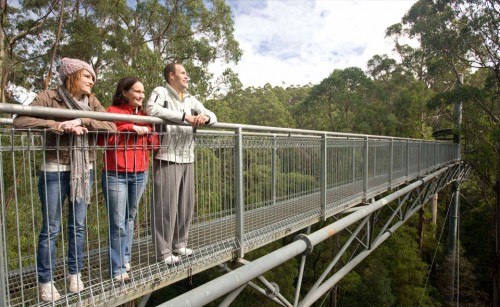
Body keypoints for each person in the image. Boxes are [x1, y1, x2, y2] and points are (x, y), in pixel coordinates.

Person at [13, 58, 116, 302]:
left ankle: (74, 274)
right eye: (87, 76)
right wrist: (58, 125)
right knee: (51, 228)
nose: (92, 81)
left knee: (78, 226)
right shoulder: (49, 97)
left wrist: (82, 120)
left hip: (84, 169)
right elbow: (20, 121)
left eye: (93, 77)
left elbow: (111, 125)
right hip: (54, 169)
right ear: (73, 76)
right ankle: (46, 281)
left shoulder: (91, 102)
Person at [146, 63, 217, 264]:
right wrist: (186, 118)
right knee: (166, 207)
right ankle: (163, 252)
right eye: (183, 73)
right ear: (171, 76)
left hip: (188, 156)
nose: (187, 76)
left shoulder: (190, 98)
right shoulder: (161, 92)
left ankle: (180, 244)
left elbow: (213, 116)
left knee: (186, 204)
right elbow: (151, 109)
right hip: (167, 156)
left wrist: (205, 117)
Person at [100, 77, 157, 282]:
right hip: (115, 173)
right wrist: (127, 128)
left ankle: (125, 258)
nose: (141, 96)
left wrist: (149, 130)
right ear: (124, 92)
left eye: (143, 92)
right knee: (117, 223)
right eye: (137, 91)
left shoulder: (145, 115)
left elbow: (153, 145)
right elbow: (102, 140)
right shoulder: (112, 112)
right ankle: (116, 269)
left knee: (130, 218)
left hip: (140, 172)